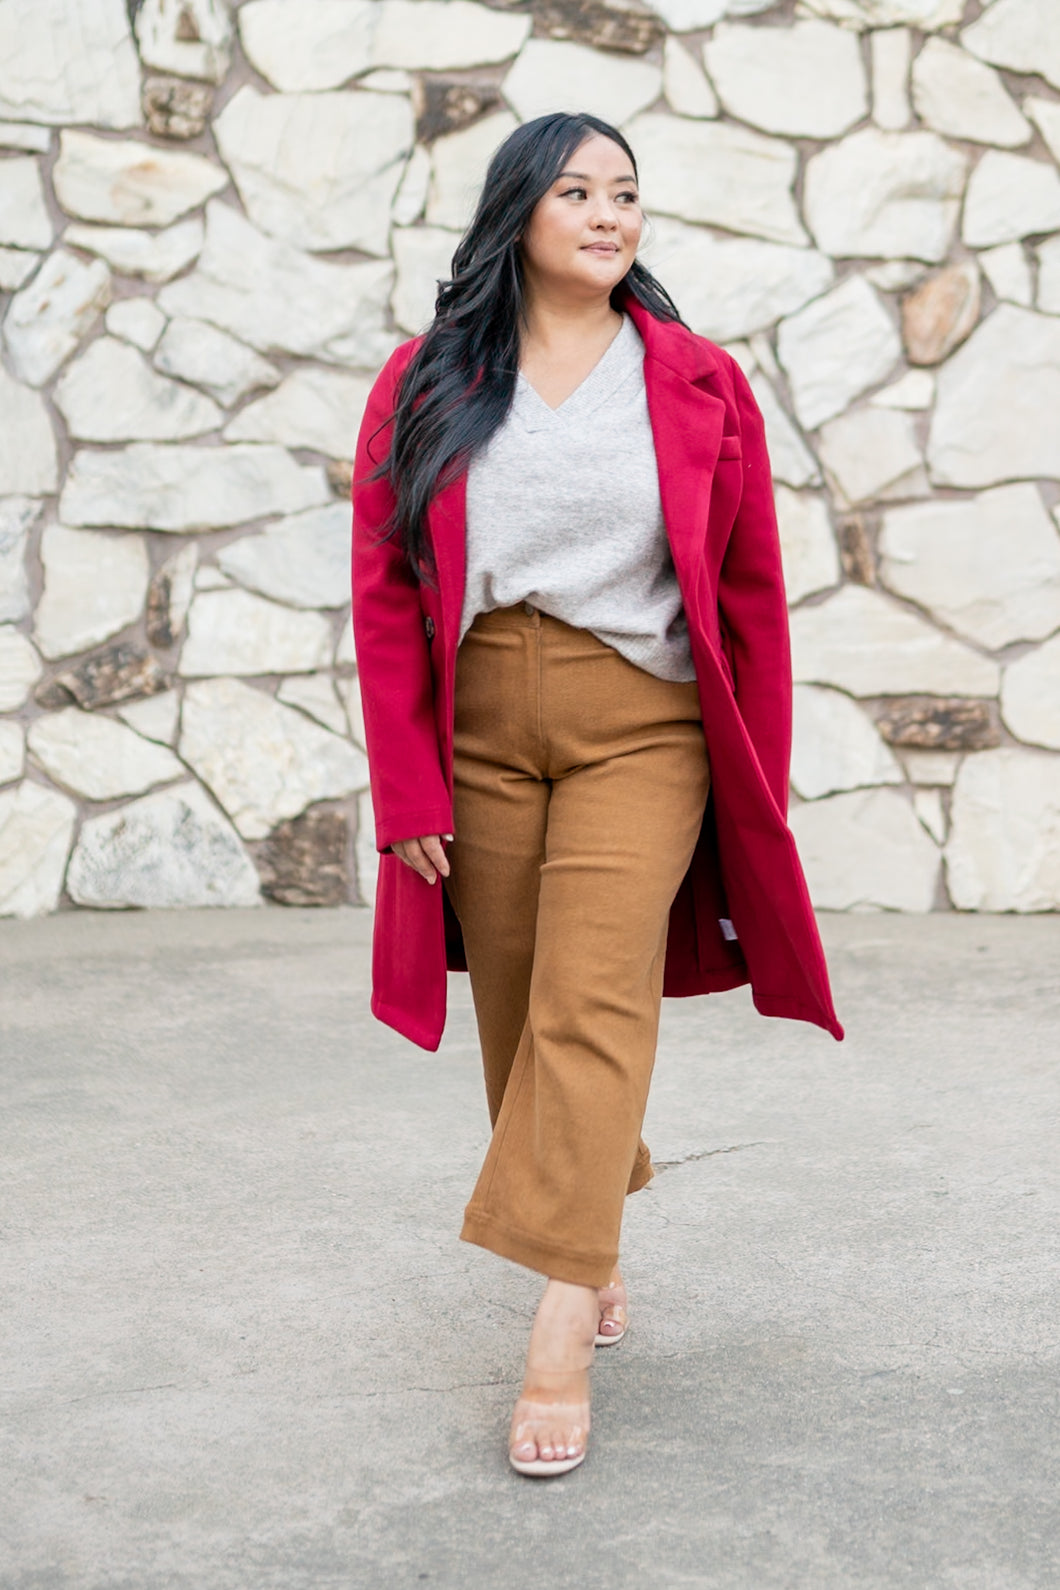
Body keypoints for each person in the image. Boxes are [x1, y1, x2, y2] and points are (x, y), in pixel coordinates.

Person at [351, 111, 843, 1479]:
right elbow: (387, 594)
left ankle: (560, 1323)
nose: (610, 214)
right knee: (516, 1014)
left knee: (591, 995)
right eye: (578, 191)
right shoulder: (429, 381)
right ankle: (587, 1202)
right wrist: (406, 786)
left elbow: (750, 595)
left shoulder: (697, 381)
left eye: (626, 193)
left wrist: (758, 770)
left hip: (649, 725)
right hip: (484, 728)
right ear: (519, 214)